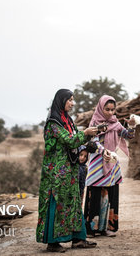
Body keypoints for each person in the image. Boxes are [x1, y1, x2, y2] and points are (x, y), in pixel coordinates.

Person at [36, 89, 99, 252]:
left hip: (70, 169)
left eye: (73, 100)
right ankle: (52, 242)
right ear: (61, 101)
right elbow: (69, 140)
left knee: (74, 202)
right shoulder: (54, 123)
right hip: (56, 172)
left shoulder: (67, 120)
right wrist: (85, 133)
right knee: (57, 202)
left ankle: (78, 239)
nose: (72, 103)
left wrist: (86, 142)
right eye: (69, 100)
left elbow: (75, 139)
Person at [84, 95, 135, 237]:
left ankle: (107, 227)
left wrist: (131, 125)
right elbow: (92, 141)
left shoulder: (115, 122)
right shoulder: (94, 122)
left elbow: (127, 135)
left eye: (113, 110)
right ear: (101, 108)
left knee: (110, 194)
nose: (110, 113)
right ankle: (91, 229)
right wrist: (103, 151)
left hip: (111, 162)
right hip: (97, 162)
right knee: (94, 194)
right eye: (107, 109)